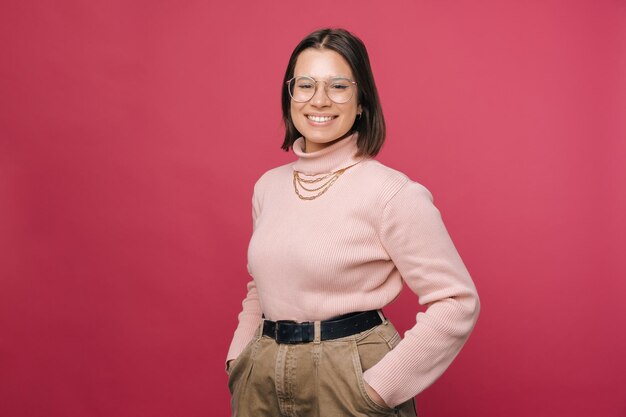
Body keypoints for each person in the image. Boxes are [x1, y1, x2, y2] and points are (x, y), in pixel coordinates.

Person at [225, 27, 480, 417]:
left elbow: (456, 300)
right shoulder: (268, 187)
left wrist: (378, 389)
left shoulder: (392, 192)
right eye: (305, 84)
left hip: (348, 377)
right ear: (290, 95)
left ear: (361, 101)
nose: (319, 100)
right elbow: (262, 285)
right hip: (262, 376)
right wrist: (239, 359)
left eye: (338, 86)